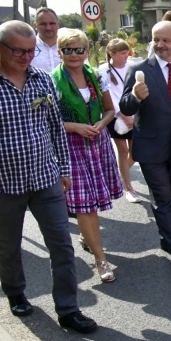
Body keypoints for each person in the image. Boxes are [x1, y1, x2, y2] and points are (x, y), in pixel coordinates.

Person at [0, 20, 97, 333]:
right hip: (5, 184)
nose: (26, 57)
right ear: (0, 48)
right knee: (8, 246)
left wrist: (64, 168)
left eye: (31, 51)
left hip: (46, 179)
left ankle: (68, 309)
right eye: (18, 51)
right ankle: (15, 292)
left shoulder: (42, 80)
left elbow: (56, 128)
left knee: (62, 247)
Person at [120, 21, 171, 270]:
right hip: (150, 147)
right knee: (163, 197)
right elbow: (125, 106)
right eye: (156, 39)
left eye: (166, 40)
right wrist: (135, 96)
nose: (160, 45)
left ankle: (168, 240)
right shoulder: (139, 69)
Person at [51, 29, 123, 283]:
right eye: (68, 50)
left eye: (79, 49)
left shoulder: (95, 76)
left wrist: (101, 125)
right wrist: (76, 127)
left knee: (91, 201)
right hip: (70, 145)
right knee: (85, 205)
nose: (74, 54)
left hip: (97, 141)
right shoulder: (52, 80)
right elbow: (47, 121)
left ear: (87, 52)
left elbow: (109, 110)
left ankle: (86, 236)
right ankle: (101, 260)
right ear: (59, 52)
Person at [99, 38, 143, 204]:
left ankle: (118, 174)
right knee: (122, 151)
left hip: (133, 113)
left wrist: (132, 113)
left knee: (136, 152)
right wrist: (122, 113)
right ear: (112, 53)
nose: (127, 55)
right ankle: (128, 188)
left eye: (127, 52)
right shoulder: (102, 70)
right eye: (123, 53)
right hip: (116, 116)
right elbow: (108, 94)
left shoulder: (132, 66)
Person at [29, 7, 61, 72]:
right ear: (35, 26)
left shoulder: (68, 46)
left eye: (52, 23)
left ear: (58, 24)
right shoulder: (28, 48)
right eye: (43, 24)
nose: (48, 28)